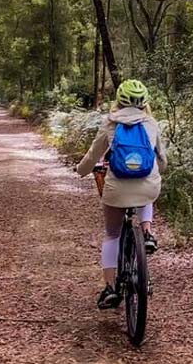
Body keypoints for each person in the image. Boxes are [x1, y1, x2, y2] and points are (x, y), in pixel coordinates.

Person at [75, 79, 167, 309]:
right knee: (147, 191)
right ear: (144, 102)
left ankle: (110, 288)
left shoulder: (110, 123)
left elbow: (93, 155)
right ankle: (146, 233)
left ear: (118, 100)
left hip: (117, 190)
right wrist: (158, 169)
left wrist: (81, 170)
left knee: (112, 234)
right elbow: (163, 159)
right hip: (147, 187)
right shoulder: (152, 124)